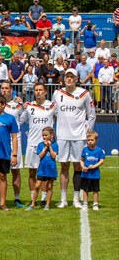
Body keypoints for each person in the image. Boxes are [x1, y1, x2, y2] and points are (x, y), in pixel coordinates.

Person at [52, 68, 96, 208]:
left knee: (78, 166)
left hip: (79, 136)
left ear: (76, 79)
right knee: (64, 166)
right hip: (63, 136)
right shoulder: (57, 93)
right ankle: (63, 199)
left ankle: (76, 198)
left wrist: (89, 131)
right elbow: (54, 113)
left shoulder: (84, 94)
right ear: (64, 78)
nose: (69, 79)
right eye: (67, 76)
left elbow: (92, 114)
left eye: (72, 77)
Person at [21, 83, 56, 206]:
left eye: (41, 90)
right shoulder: (29, 107)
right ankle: (33, 198)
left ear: (45, 92)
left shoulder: (52, 106)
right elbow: (21, 120)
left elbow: (61, 118)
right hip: (32, 144)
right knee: (32, 173)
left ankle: (43, 199)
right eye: (36, 90)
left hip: (46, 146)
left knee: (45, 174)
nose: (38, 92)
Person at [0, 81, 27, 208]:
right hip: (0, 142)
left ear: (11, 90)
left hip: (15, 140)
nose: (4, 90)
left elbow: (22, 119)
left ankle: (17, 198)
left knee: (16, 171)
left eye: (6, 88)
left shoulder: (18, 105)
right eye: (2, 88)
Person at [26, 127, 58, 211]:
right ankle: (33, 204)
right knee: (37, 186)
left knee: (50, 187)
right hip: (42, 169)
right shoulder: (40, 145)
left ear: (51, 135)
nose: (44, 137)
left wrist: (50, 147)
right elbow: (40, 155)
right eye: (43, 135)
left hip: (51, 169)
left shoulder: (55, 145)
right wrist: (45, 148)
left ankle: (47, 205)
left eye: (46, 135)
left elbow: (54, 156)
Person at [80, 131, 105, 211]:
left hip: (95, 174)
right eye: (88, 140)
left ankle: (95, 203)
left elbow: (101, 160)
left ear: (96, 140)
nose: (90, 142)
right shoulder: (85, 150)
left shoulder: (99, 150)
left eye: (91, 140)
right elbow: (82, 160)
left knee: (95, 190)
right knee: (85, 189)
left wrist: (94, 166)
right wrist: (83, 167)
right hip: (86, 174)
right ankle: (85, 203)